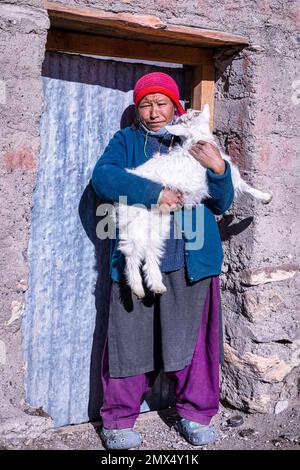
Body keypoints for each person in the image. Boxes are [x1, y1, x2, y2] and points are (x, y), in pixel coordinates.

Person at [91, 72, 234, 450]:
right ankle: (118, 419)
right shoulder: (125, 141)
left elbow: (221, 203)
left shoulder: (195, 142)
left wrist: (218, 171)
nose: (154, 112)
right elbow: (103, 178)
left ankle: (195, 412)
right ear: (137, 109)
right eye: (145, 104)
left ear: (176, 106)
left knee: (192, 342)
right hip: (142, 255)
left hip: (193, 257)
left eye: (162, 103)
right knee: (129, 339)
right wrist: (153, 193)